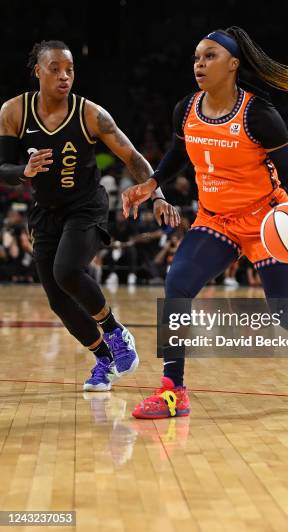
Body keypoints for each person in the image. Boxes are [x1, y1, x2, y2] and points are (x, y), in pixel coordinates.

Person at [122, 27, 288, 419]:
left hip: (267, 221)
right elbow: (178, 152)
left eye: (210, 56)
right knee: (176, 284)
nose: (200, 64)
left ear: (233, 64)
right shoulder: (186, 108)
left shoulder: (260, 115)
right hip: (216, 220)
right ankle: (173, 391)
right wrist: (151, 183)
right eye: (197, 57)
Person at [0, 40, 179, 391]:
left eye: (69, 69)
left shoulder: (91, 114)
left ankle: (115, 332)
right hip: (46, 211)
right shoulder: (13, 111)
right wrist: (25, 169)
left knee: (67, 270)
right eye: (55, 69)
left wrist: (156, 194)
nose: (64, 76)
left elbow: (132, 157)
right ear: (38, 71)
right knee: (57, 299)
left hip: (87, 207)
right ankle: (103, 358)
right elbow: (2, 168)